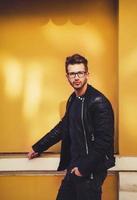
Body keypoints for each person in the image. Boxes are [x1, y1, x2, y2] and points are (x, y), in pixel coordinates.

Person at [28, 54, 115, 200]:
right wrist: (38, 147)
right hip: (74, 168)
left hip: (90, 171)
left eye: (80, 73)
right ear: (67, 76)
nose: (76, 77)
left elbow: (104, 141)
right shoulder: (73, 99)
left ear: (87, 74)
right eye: (72, 73)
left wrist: (83, 169)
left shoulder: (98, 102)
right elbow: (63, 127)